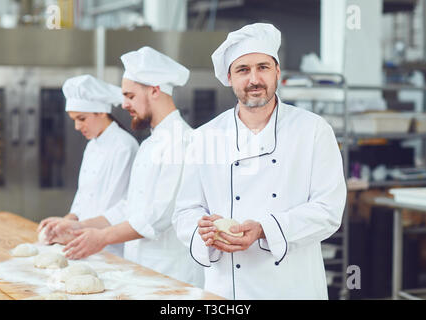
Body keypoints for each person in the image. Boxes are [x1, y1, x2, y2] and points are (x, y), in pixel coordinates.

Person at [172, 23, 347, 299]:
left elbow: (329, 210)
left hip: (292, 286)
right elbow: (184, 211)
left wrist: (265, 229)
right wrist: (202, 229)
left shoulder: (312, 130)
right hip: (227, 290)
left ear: (277, 71)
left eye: (263, 67)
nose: (254, 79)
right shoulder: (205, 137)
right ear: (229, 77)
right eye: (243, 70)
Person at [52, 47, 204, 288]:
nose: (123, 105)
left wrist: (101, 237)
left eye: (130, 96)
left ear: (155, 90)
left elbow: (158, 216)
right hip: (141, 268)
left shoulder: (181, 141)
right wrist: (79, 226)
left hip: (170, 274)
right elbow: (130, 206)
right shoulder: (151, 143)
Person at [37, 75, 139, 257]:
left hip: (110, 244)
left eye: (82, 118)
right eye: (74, 119)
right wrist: (65, 221)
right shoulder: (92, 145)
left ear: (101, 112)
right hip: (82, 239)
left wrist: (81, 226)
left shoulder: (124, 146)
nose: (77, 126)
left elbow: (125, 206)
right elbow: (84, 195)